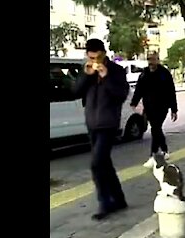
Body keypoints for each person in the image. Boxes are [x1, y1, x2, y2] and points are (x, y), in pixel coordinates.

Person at [67, 39, 129, 220]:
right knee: (104, 163)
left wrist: (106, 76)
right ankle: (119, 199)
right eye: (91, 56)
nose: (95, 59)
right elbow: (75, 92)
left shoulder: (116, 70)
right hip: (92, 124)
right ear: (87, 55)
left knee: (96, 164)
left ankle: (105, 202)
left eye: (98, 56)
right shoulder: (86, 69)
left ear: (103, 53)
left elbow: (121, 95)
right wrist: (86, 75)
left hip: (108, 124)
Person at [130, 52, 178, 168]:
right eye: (149, 59)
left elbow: (171, 91)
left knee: (155, 128)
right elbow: (139, 90)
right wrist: (134, 103)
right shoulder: (144, 74)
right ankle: (164, 150)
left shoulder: (164, 73)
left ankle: (153, 155)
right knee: (156, 129)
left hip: (162, 107)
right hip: (149, 107)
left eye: (153, 59)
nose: (151, 62)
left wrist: (174, 109)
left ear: (158, 60)